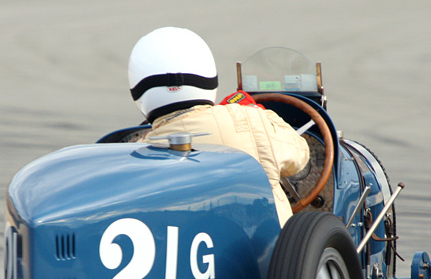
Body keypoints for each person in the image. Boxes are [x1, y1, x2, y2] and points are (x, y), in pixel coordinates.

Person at [128, 27, 310, 226]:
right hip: (267, 252)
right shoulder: (249, 119)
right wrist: (254, 111)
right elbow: (300, 154)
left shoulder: (135, 152)